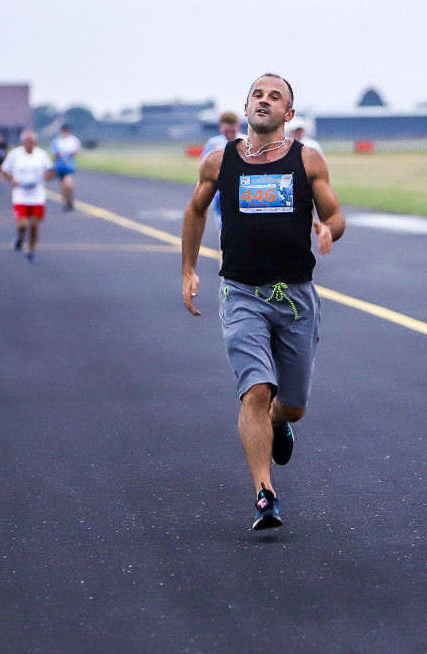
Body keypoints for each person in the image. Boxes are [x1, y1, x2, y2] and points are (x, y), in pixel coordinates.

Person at [182, 74, 346, 531]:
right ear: (247, 105)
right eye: (258, 94)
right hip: (241, 293)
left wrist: (329, 228)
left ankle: (280, 424)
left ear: (288, 115)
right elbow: (196, 210)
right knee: (256, 389)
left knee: (290, 405)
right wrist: (189, 269)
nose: (265, 101)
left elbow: (334, 213)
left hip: (294, 296)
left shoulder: (307, 160)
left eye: (276, 97)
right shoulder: (219, 161)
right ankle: (264, 493)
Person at [0, 129, 55, 262]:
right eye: (26, 141)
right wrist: (12, 180)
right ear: (22, 142)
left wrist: (46, 176)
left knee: (35, 226)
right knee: (22, 225)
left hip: (37, 196)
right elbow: (4, 170)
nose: (29, 144)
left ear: (35, 142)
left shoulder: (41, 155)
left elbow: (51, 172)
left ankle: (31, 249)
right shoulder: (15, 154)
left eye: (31, 141)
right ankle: (19, 237)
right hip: (21, 195)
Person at [200, 111, 245, 232]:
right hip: (221, 190)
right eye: (226, 130)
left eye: (232, 130)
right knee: (223, 225)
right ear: (221, 127)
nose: (229, 133)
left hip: (243, 188)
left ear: (237, 126)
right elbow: (204, 164)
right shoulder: (213, 143)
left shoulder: (246, 141)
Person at [50, 124, 82, 211]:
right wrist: (58, 153)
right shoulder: (56, 141)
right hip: (59, 166)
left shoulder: (73, 140)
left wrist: (72, 152)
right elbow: (53, 154)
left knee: (69, 184)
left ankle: (70, 199)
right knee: (63, 186)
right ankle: (65, 202)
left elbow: (77, 152)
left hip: (69, 166)